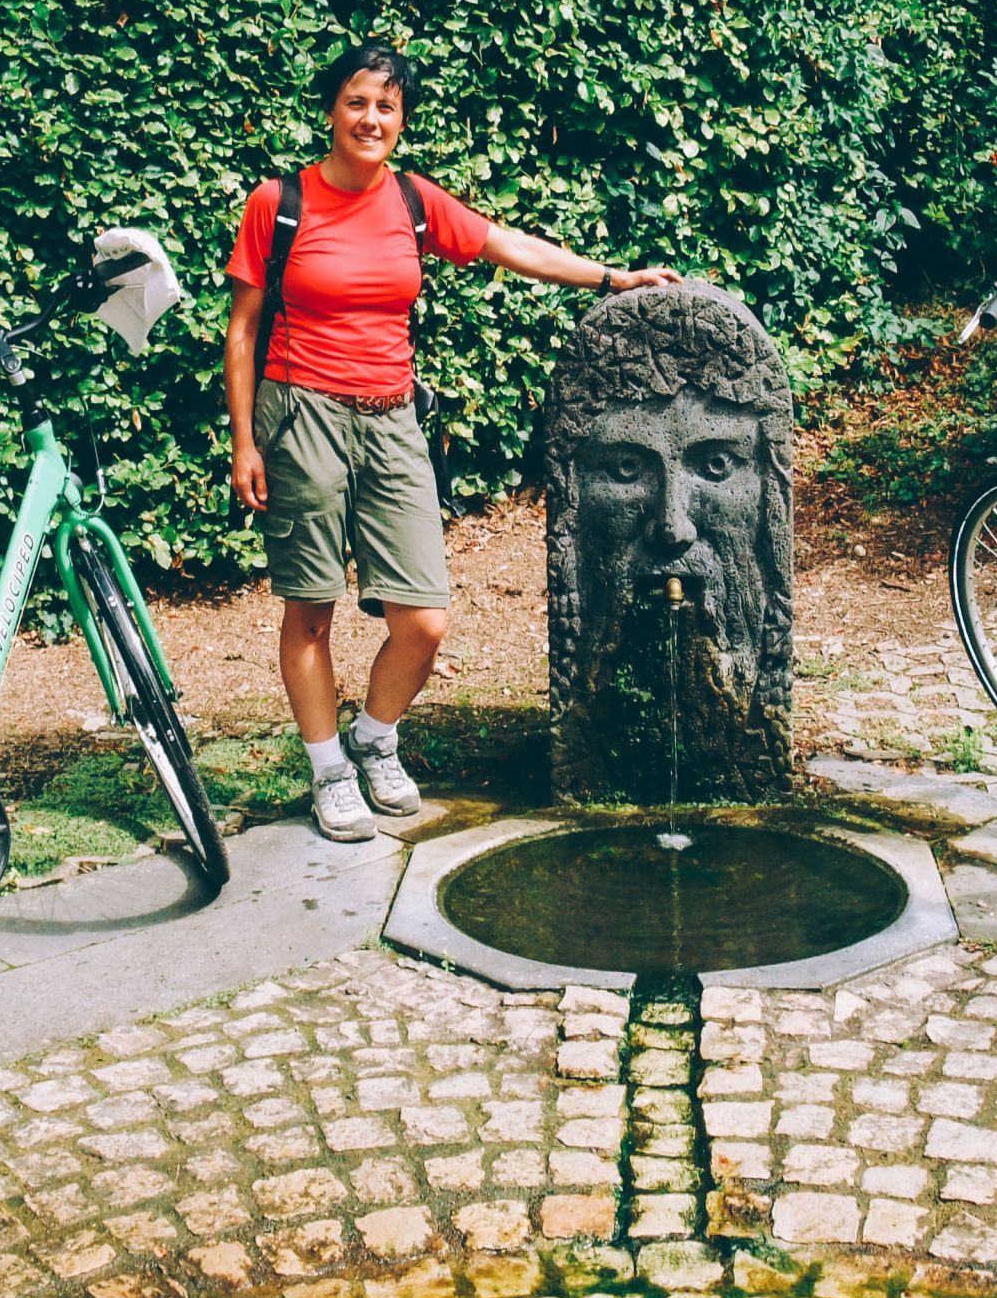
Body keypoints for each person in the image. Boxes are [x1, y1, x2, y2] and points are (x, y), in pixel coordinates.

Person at [225, 43, 679, 841]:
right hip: (301, 418)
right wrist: (244, 443)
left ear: (401, 120)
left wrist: (614, 276)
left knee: (424, 618)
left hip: (393, 418)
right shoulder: (280, 202)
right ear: (332, 109)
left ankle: (375, 738)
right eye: (358, 102)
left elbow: (511, 246)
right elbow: (242, 331)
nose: (371, 118)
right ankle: (329, 768)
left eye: (387, 106)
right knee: (311, 611)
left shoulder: (412, 200)